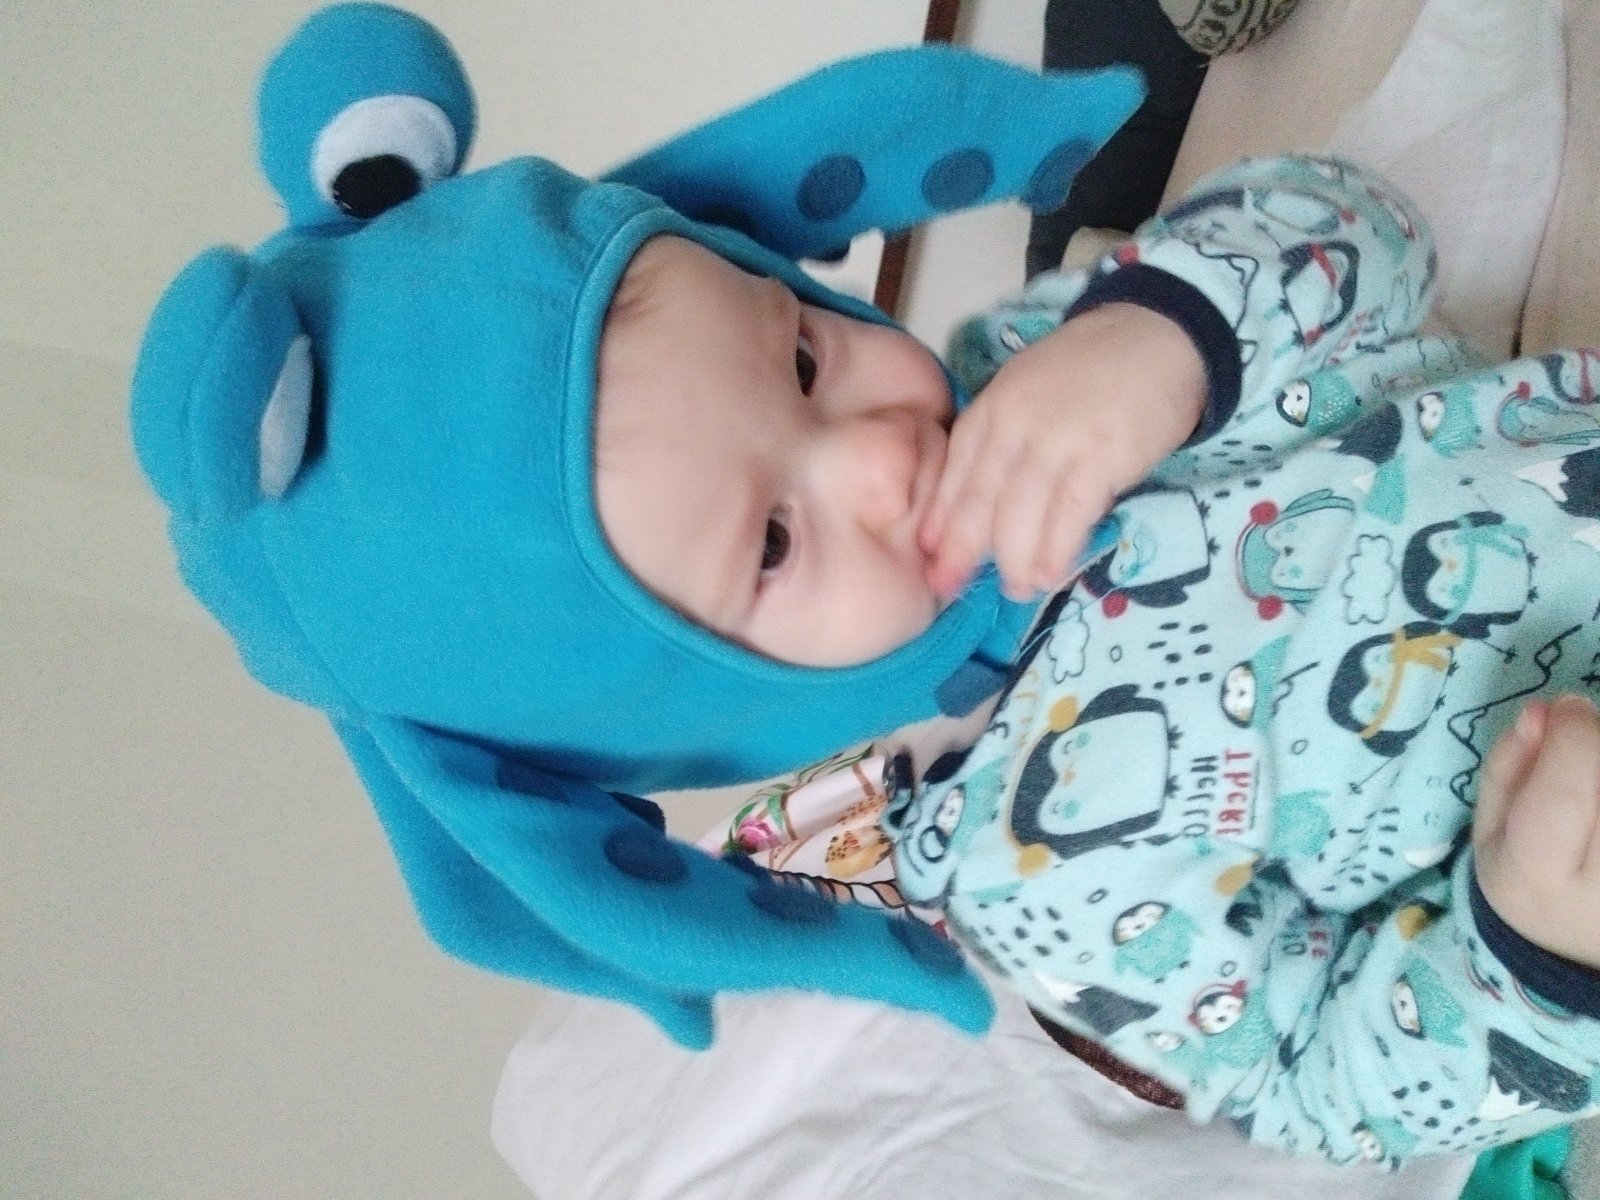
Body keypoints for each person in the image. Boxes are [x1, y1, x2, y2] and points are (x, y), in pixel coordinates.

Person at [132, 4, 1600, 1169]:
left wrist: (1165, 331)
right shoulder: (1043, 882)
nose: (880, 452)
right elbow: (1330, 1078)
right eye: (775, 544)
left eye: (800, 354)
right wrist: (1535, 940)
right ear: (711, 701)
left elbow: (1362, 235)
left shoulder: (1029, 372)